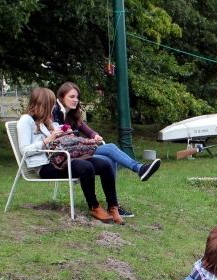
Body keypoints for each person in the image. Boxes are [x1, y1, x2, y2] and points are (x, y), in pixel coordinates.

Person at [54, 82, 162, 218]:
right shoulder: (55, 114)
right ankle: (138, 169)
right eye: (72, 97)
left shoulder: (73, 115)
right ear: (62, 96)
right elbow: (58, 139)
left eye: (77, 97)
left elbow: (89, 131)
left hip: (80, 153)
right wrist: (87, 141)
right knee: (110, 148)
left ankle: (113, 205)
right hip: (69, 156)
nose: (75, 100)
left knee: (109, 159)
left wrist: (95, 136)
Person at [16, 87, 122, 224]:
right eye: (52, 104)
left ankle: (113, 207)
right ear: (44, 104)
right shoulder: (26, 121)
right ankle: (94, 206)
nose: (54, 108)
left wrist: (66, 134)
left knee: (104, 165)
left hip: (60, 159)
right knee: (86, 167)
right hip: (44, 166)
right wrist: (47, 140)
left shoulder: (47, 121)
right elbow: (25, 150)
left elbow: (59, 140)